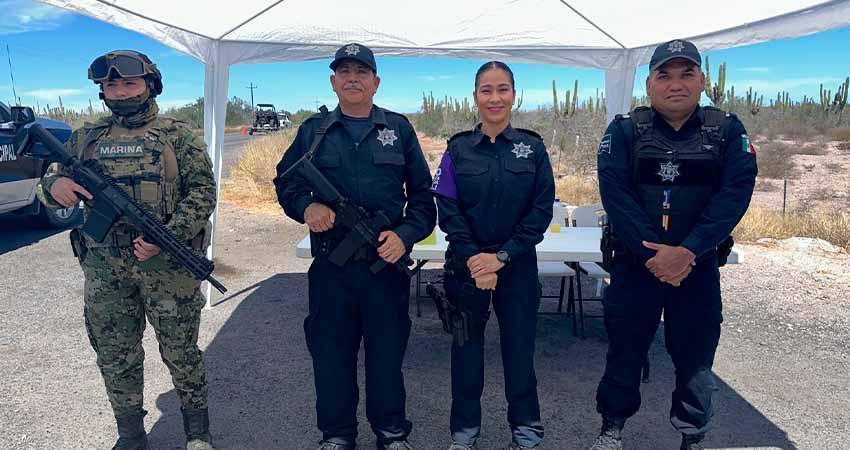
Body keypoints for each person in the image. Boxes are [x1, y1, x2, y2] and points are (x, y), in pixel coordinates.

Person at [37, 50, 217, 450]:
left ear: (150, 85)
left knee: (181, 352)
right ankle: (131, 437)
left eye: (129, 83)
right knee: (116, 356)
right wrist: (53, 188)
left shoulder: (177, 135)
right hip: (105, 270)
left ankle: (197, 433)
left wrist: (166, 235)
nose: (120, 92)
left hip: (167, 266)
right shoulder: (87, 138)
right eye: (111, 86)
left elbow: (204, 193)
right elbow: (50, 182)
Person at [588, 39, 757, 450]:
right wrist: (654, 256)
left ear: (702, 81)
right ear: (649, 84)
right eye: (665, 75)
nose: (675, 84)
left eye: (687, 74)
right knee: (624, 353)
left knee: (696, 358)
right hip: (635, 268)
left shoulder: (726, 132)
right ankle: (612, 430)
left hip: (695, 270)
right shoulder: (625, 130)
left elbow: (734, 195)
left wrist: (687, 251)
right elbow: (616, 196)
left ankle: (692, 435)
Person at [273, 43, 436, 450]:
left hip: (385, 267)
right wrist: (306, 206)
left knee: (387, 357)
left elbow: (422, 198)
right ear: (333, 82)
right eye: (344, 71)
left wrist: (405, 236)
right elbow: (286, 183)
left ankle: (392, 432)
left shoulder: (398, 130)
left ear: (376, 82)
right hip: (332, 269)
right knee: (331, 356)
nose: (352, 78)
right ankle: (337, 434)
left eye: (361, 72)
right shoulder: (314, 131)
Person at [431, 61, 555, 450]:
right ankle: (464, 435)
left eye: (503, 89)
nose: (495, 97)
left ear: (514, 95)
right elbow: (447, 210)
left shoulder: (532, 149)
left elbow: (541, 211)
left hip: (516, 269)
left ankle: (527, 433)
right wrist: (475, 260)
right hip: (466, 269)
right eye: (487, 90)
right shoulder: (457, 149)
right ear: (475, 97)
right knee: (466, 355)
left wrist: (501, 257)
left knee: (519, 354)